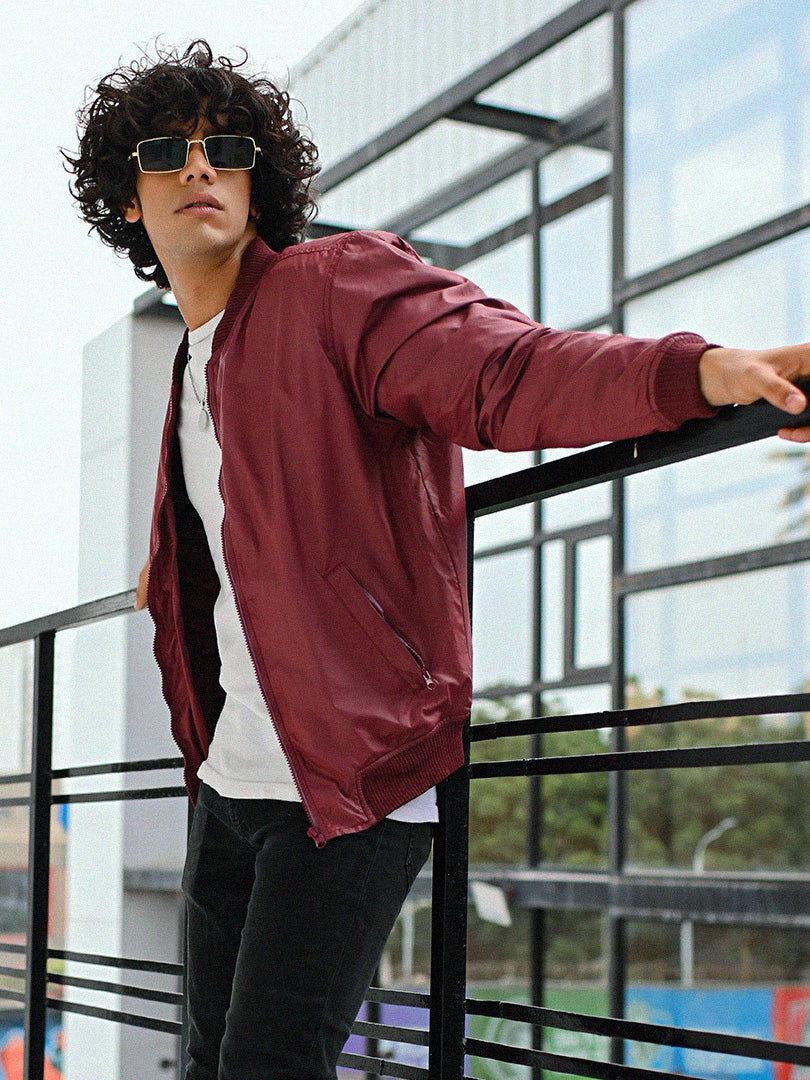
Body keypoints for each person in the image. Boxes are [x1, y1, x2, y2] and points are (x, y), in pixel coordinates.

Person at [65, 39, 810, 1080]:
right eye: (166, 152)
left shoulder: (335, 286)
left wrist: (698, 373)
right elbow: (250, 519)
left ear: (258, 180)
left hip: (353, 783)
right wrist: (174, 564)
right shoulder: (194, 357)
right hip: (231, 781)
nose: (199, 166)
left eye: (225, 148)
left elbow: (506, 370)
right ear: (126, 197)